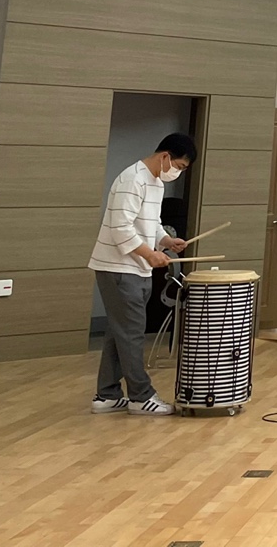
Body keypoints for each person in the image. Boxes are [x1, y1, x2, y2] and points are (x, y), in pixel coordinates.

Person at [87, 133, 197, 415]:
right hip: (119, 268)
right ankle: (140, 396)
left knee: (119, 332)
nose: (177, 172)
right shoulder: (132, 180)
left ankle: (107, 395)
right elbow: (120, 228)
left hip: (135, 268)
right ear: (165, 157)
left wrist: (165, 241)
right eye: (179, 167)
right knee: (132, 333)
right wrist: (150, 254)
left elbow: (151, 223)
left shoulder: (155, 182)